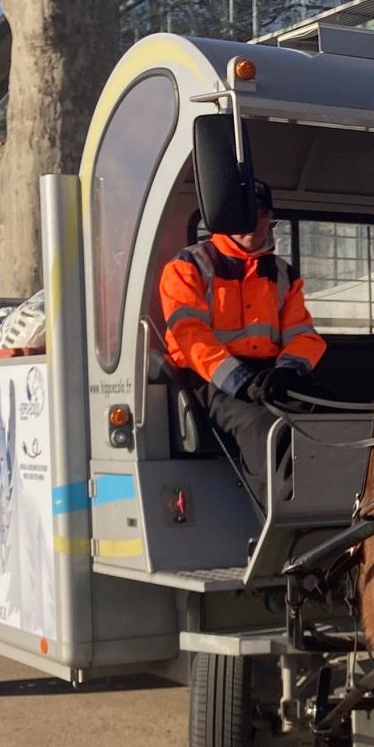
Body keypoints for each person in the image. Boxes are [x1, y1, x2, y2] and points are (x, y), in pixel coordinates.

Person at [158, 180, 326, 505]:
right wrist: (239, 381)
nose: (254, 224)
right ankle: (281, 527)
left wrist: (288, 370)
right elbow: (190, 336)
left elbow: (303, 335)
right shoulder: (189, 266)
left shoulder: (282, 273)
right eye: (244, 215)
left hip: (269, 375)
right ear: (224, 220)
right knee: (265, 428)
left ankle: (339, 518)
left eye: (261, 214)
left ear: (270, 217)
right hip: (210, 381)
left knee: (327, 418)